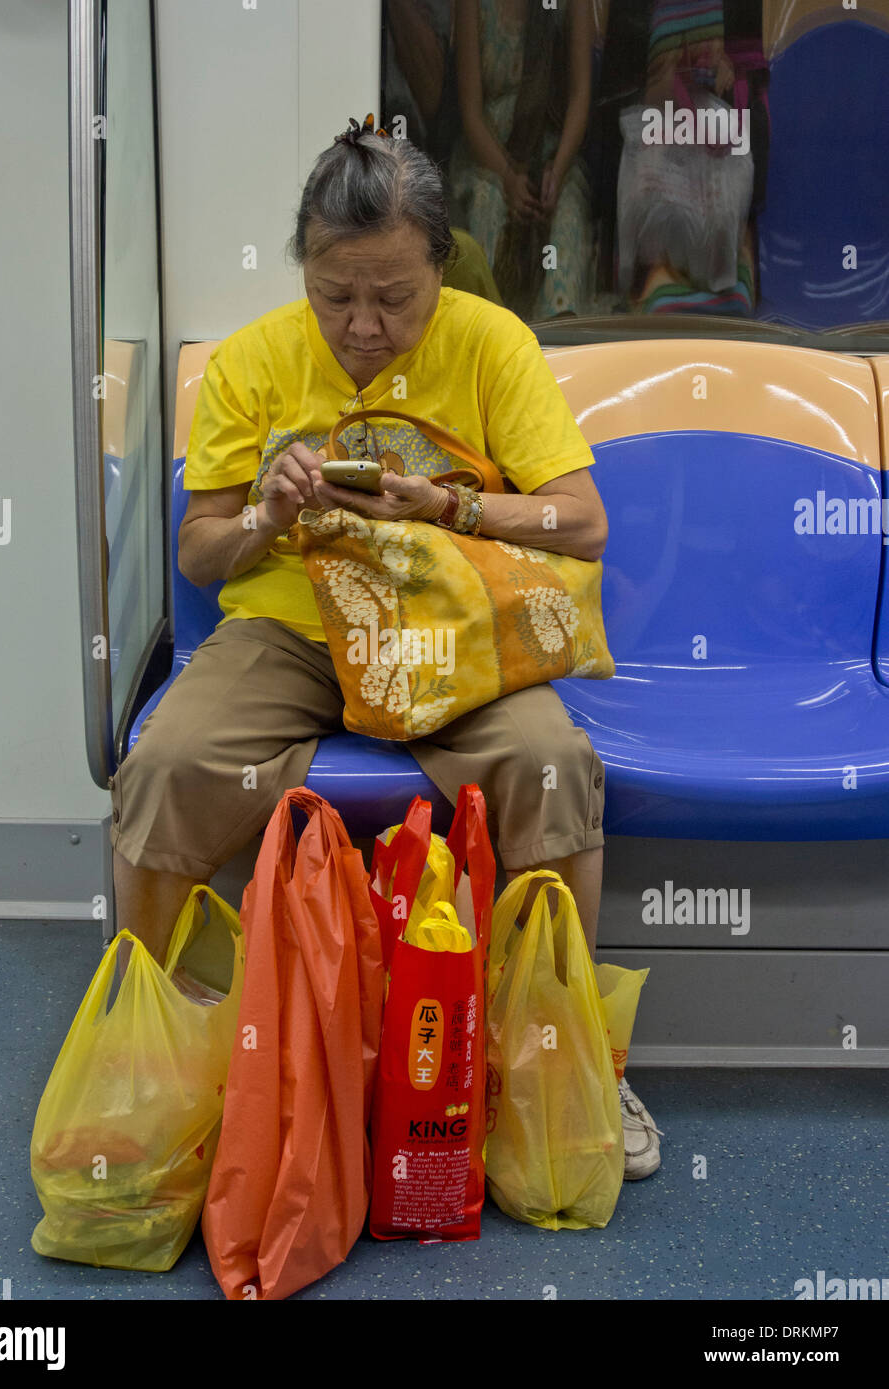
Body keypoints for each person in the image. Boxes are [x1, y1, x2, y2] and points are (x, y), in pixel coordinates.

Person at [107, 116, 660, 1181]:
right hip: (291, 628)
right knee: (167, 765)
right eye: (334, 295)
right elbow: (205, 553)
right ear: (305, 271)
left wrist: (453, 509)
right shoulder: (255, 362)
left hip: (449, 634)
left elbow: (580, 523)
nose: (361, 326)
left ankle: (565, 1056)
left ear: (439, 271)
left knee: (553, 765)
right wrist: (267, 516)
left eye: (393, 298)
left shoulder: (493, 342)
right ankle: (153, 1052)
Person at [447, 0, 595, 318]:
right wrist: (507, 177)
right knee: (487, 207)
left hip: (553, 155)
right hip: (488, 158)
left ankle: (559, 332)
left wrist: (557, 170)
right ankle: (489, 334)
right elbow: (471, 113)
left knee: (567, 213)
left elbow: (580, 95)